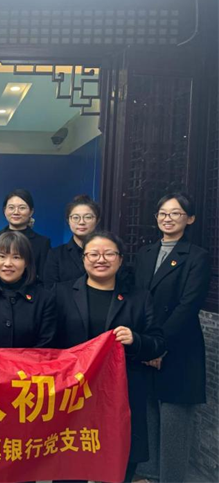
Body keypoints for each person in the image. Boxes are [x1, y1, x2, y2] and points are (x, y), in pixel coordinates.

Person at [54, 231, 165, 483]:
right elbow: (49, 341)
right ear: (84, 258)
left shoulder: (139, 298)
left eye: (109, 254)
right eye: (93, 254)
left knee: (119, 466)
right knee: (70, 466)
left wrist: (136, 339)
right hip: (74, 395)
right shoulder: (61, 293)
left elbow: (158, 343)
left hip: (123, 394)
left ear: (120, 259)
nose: (101, 259)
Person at [134, 192, 211, 483]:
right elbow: (138, 299)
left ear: (189, 219)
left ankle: (171, 478)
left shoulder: (197, 256)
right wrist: (146, 345)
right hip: (147, 345)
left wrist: (159, 346)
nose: (168, 218)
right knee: (149, 413)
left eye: (175, 213)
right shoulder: (144, 254)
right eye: (163, 213)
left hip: (178, 348)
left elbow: (188, 306)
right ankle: (149, 474)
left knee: (174, 419)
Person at [0, 231, 56, 348]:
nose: (8, 263)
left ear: (26, 262)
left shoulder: (45, 299)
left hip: (32, 360)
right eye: (2, 256)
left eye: (16, 257)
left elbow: (45, 346)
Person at [0, 189, 50, 286]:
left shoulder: (42, 243)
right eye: (11, 207)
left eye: (22, 208)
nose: (16, 212)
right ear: (4, 210)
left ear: (31, 212)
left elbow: (45, 280)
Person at [43, 194, 100, 287]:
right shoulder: (56, 255)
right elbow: (50, 289)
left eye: (88, 217)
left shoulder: (107, 253)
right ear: (68, 221)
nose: (81, 222)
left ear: (97, 220)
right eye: (76, 217)